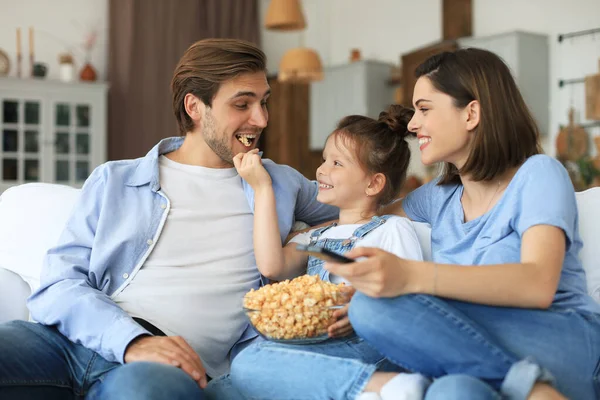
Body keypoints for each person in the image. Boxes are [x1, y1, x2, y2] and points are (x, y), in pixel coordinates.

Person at [0, 38, 338, 400]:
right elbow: (58, 284)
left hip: (165, 369)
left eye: (264, 102)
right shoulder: (115, 180)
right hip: (71, 343)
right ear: (194, 106)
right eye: (243, 104)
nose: (261, 119)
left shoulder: (278, 183)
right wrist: (132, 341)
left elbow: (368, 205)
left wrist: (305, 239)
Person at [323, 48, 600, 400]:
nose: (412, 124)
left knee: (372, 307)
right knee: (453, 392)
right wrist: (301, 229)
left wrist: (409, 278)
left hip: (563, 343)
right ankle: (527, 386)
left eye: (424, 109)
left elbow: (538, 283)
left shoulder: (538, 174)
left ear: (471, 113)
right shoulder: (439, 197)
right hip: (485, 354)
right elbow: (363, 212)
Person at [230, 105, 432, 400]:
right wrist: (262, 189)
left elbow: (412, 297)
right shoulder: (316, 238)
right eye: (325, 159)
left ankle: (383, 385)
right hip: (317, 343)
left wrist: (366, 309)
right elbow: (272, 266)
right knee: (222, 386)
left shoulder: (391, 230)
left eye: (337, 163)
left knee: (248, 364)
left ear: (374, 183)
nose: (322, 169)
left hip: (367, 344)